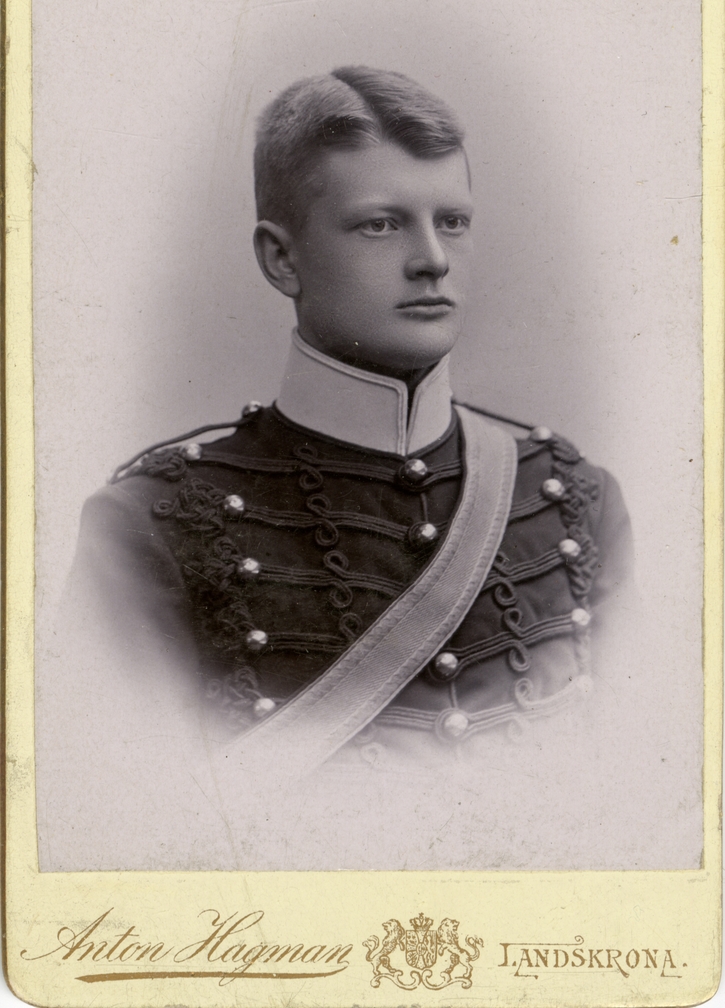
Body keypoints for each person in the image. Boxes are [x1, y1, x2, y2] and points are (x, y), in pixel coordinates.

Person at [61, 65, 633, 780]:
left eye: (452, 222)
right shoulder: (150, 523)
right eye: (380, 225)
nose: (432, 261)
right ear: (281, 258)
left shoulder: (573, 497)